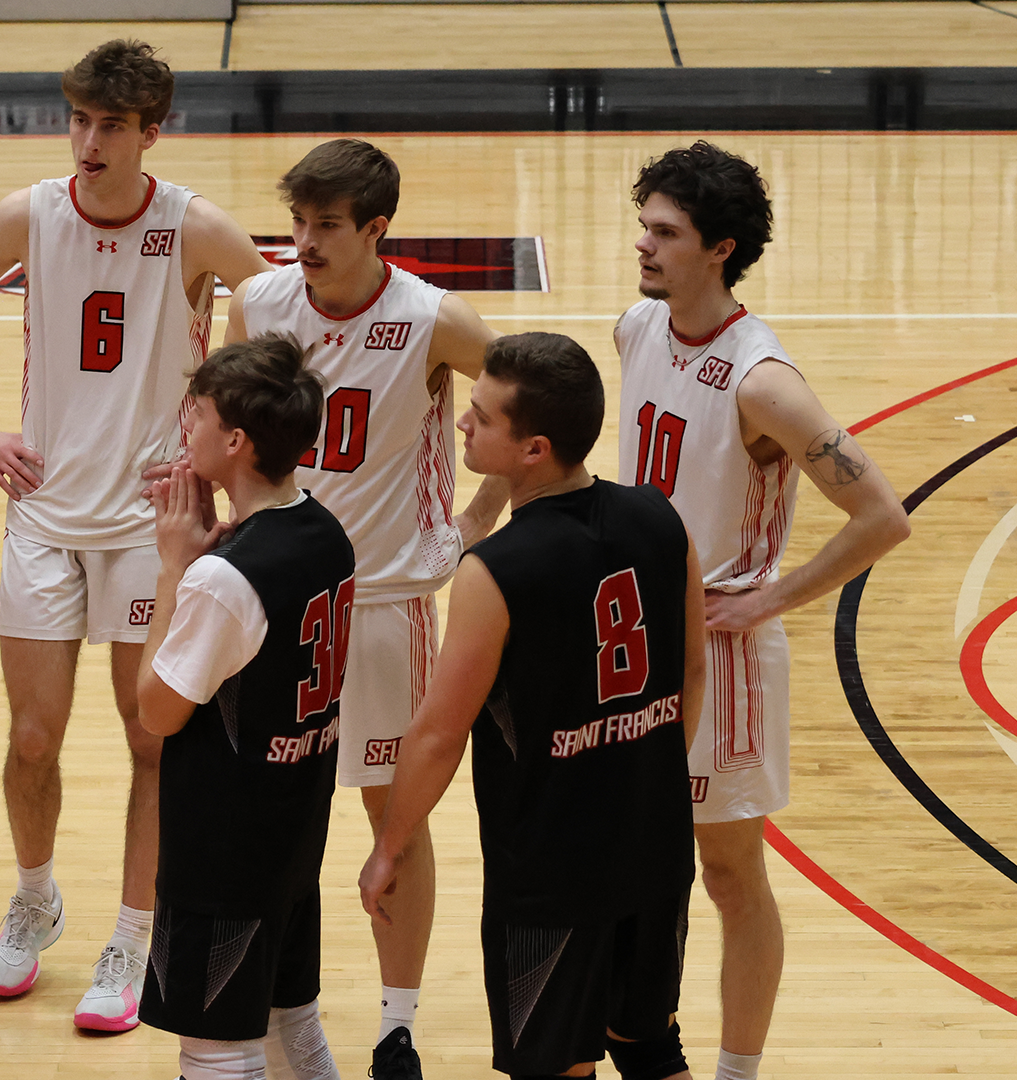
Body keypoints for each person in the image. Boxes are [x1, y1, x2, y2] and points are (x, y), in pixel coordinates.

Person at [0, 37, 273, 1031]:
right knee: (32, 739)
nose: (88, 140)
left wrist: (214, 454)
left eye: (110, 126)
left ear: (151, 133)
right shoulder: (28, 215)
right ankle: (36, 902)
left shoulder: (194, 228)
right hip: (42, 514)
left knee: (149, 741)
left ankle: (135, 933)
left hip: (148, 528)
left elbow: (278, 323)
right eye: (78, 119)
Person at [614, 142, 911, 1080]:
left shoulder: (764, 382)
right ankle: (640, 1037)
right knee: (632, 862)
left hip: (724, 656)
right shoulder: (637, 328)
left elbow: (884, 516)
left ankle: (737, 1072)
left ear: (720, 249)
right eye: (645, 227)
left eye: (667, 233)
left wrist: (772, 597)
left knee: (731, 875)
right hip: (635, 642)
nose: (646, 246)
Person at [224, 138, 507, 1078]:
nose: (303, 240)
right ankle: (276, 1016)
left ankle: (396, 1025)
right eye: (296, 222)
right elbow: (234, 427)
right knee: (271, 812)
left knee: (396, 819)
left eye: (326, 227)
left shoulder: (430, 319)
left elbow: (524, 399)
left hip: (385, 600)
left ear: (376, 230)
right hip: (276, 594)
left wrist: (477, 516)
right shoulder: (260, 302)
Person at [362, 331, 706, 1080]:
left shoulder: (496, 570)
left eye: (481, 418)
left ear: (533, 449)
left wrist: (391, 843)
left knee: (554, 1066)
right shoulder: (660, 517)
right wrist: (647, 776)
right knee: (650, 1045)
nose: (463, 424)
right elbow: (693, 672)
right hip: (655, 841)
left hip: (551, 868)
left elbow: (437, 734)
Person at [134, 335, 352, 1080]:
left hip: (223, 849)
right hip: (293, 831)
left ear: (235, 440)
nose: (185, 424)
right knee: (293, 1027)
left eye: (197, 414)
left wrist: (174, 570)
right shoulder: (327, 532)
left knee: (219, 1051)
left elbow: (156, 713)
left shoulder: (221, 581)